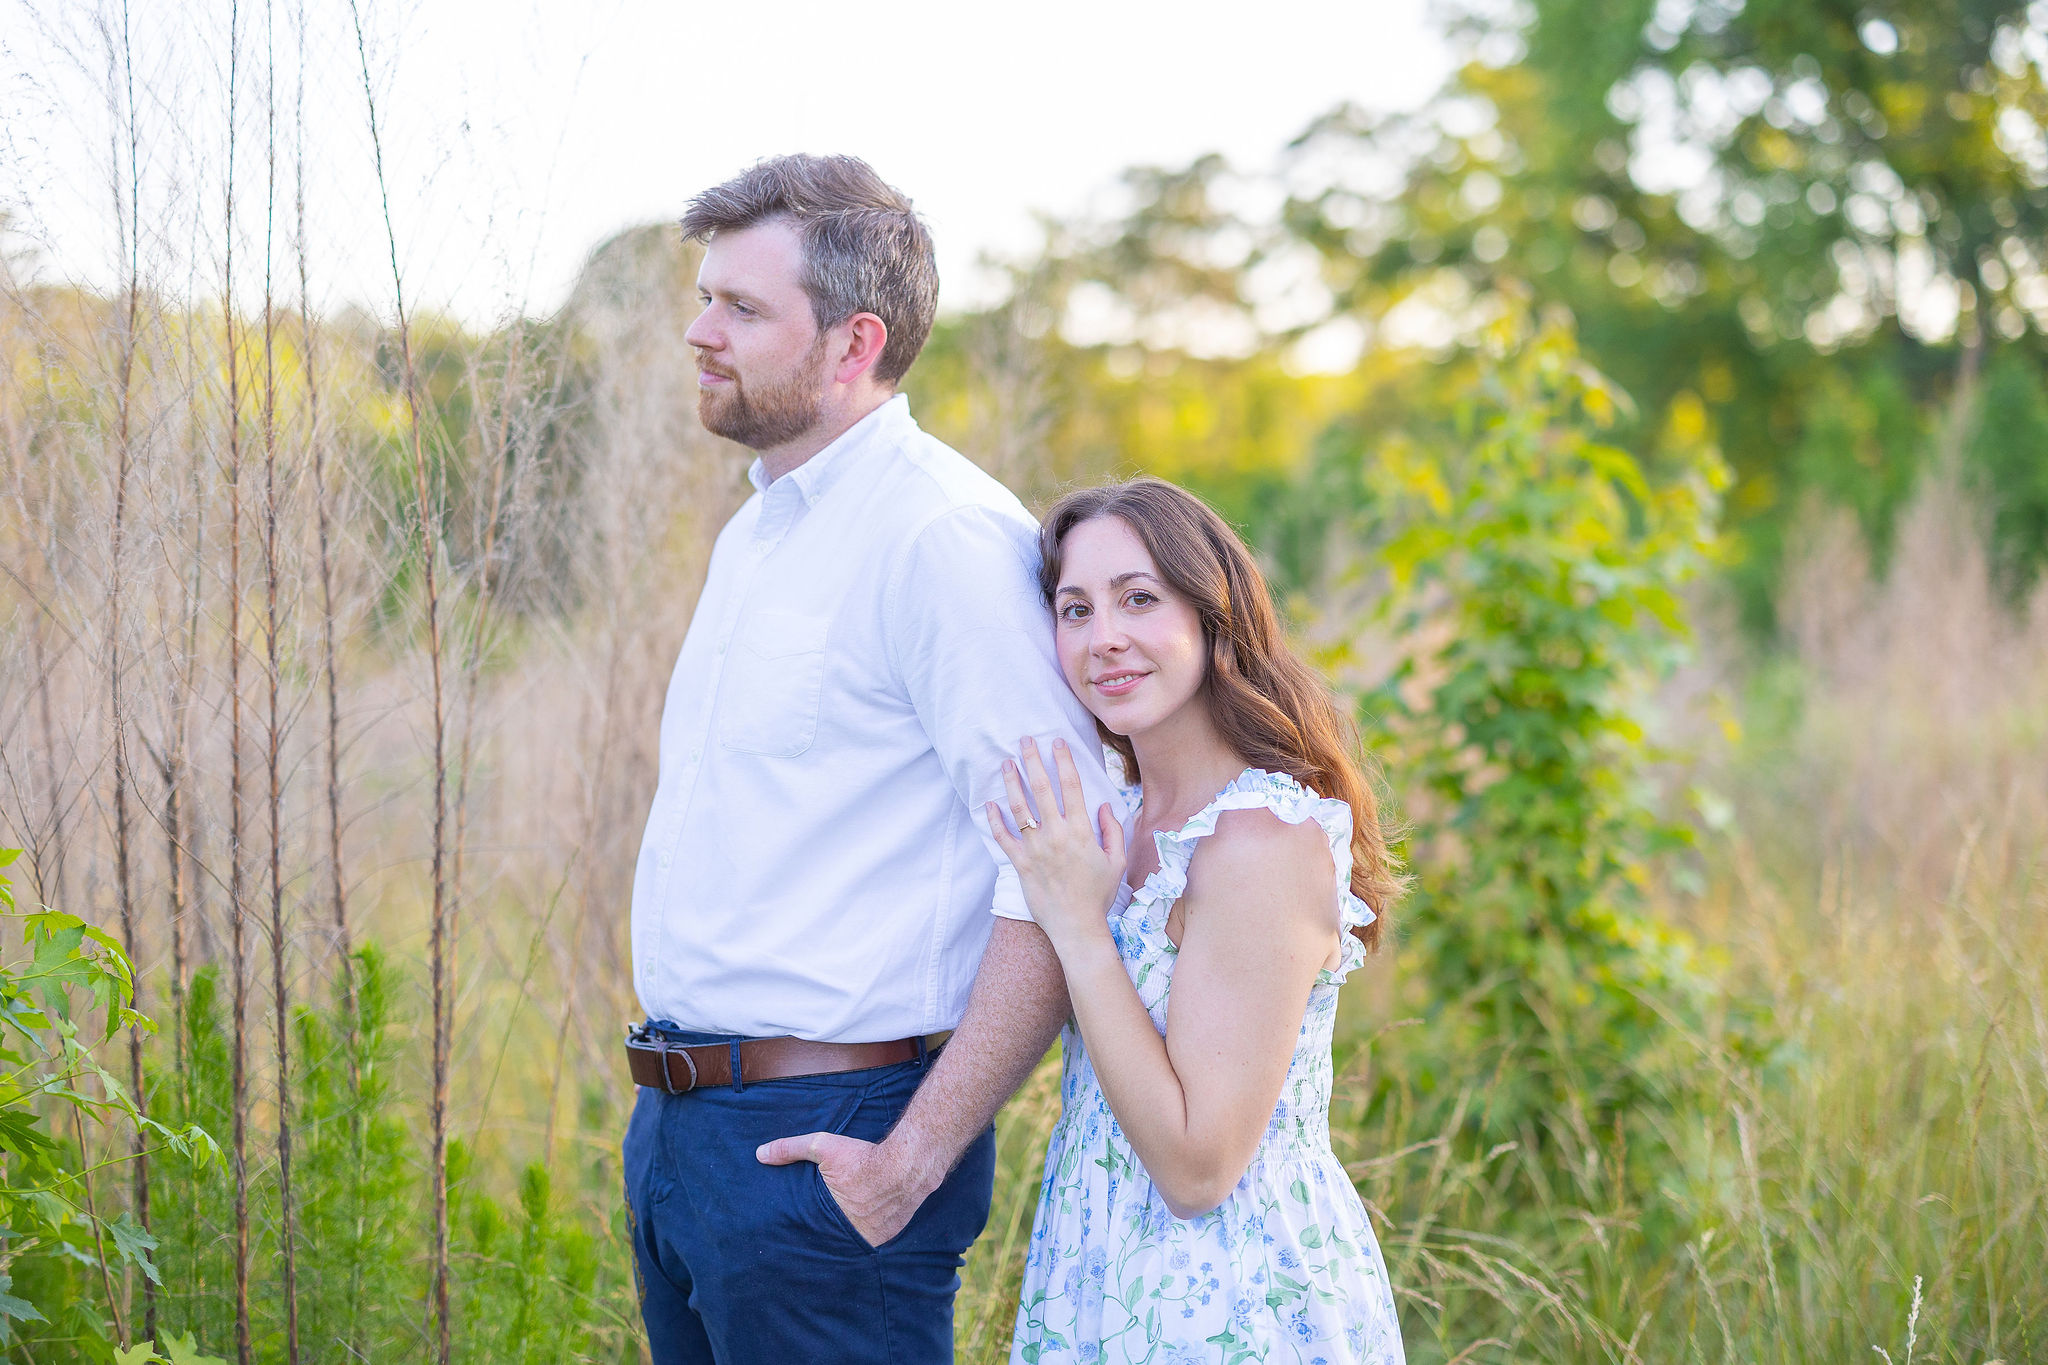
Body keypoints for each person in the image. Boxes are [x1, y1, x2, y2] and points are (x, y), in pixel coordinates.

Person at [621, 153, 1123, 1364]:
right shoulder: (758, 532)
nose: (700, 331)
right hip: (684, 1134)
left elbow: (1062, 864)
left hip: (834, 1140)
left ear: (853, 344)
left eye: (741, 308)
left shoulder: (939, 538)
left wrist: (912, 1157)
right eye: (703, 298)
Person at [989, 478, 1407, 1364]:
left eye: (1139, 598)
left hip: (1229, 1298)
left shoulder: (1261, 839)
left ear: (1214, 615)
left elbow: (1197, 1167)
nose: (1104, 638)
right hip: (1096, 1275)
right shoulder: (1122, 819)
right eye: (1074, 609)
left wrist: (1078, 927)